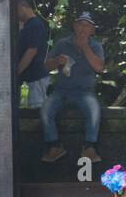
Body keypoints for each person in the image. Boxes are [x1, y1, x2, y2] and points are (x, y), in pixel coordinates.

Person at [40, 12, 105, 164]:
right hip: (61, 91)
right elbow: (46, 67)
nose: (83, 28)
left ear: (92, 30)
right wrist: (56, 61)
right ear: (74, 27)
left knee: (94, 110)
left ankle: (90, 148)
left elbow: (99, 68)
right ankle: (54, 146)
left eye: (87, 25)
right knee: (46, 109)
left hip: (85, 92)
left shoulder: (96, 46)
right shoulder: (62, 43)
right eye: (80, 24)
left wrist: (85, 47)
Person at [16, 0, 50, 109]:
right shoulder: (27, 26)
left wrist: (16, 72)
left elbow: (31, 51)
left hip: (36, 77)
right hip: (29, 78)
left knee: (37, 111)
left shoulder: (35, 25)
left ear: (23, 6)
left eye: (16, 9)